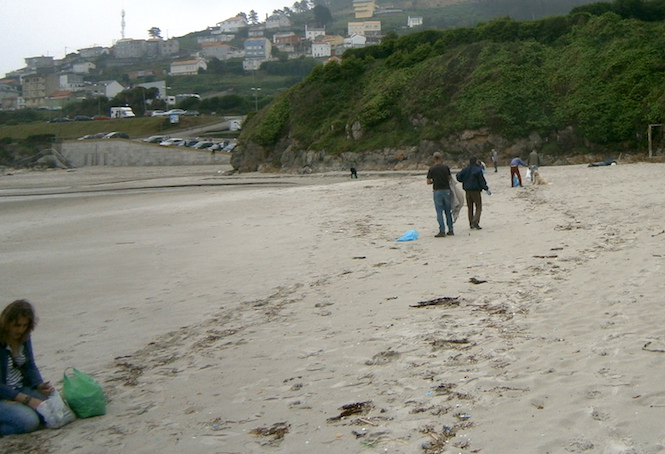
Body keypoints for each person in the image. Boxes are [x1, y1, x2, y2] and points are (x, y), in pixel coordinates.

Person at [0, 299, 54, 435]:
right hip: (2, 394)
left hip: (20, 387)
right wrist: (27, 400)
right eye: (17, 325)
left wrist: (38, 384)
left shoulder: (23, 337)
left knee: (51, 410)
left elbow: (29, 365)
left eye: (25, 326)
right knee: (29, 421)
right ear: (6, 323)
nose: (20, 330)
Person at [456, 157, 489, 230]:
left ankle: (471, 223)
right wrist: (486, 188)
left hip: (467, 190)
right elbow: (481, 181)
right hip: (476, 190)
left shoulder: (465, 169)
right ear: (476, 162)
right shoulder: (478, 170)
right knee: (478, 206)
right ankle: (475, 221)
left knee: (470, 207)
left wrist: (463, 180)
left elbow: (458, 176)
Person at [426, 152, 454, 237]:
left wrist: (434, 181)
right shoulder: (446, 167)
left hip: (437, 190)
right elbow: (449, 178)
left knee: (439, 211)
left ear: (434, 159)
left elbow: (428, 181)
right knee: (448, 211)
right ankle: (451, 229)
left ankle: (442, 230)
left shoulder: (432, 169)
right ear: (441, 158)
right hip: (446, 190)